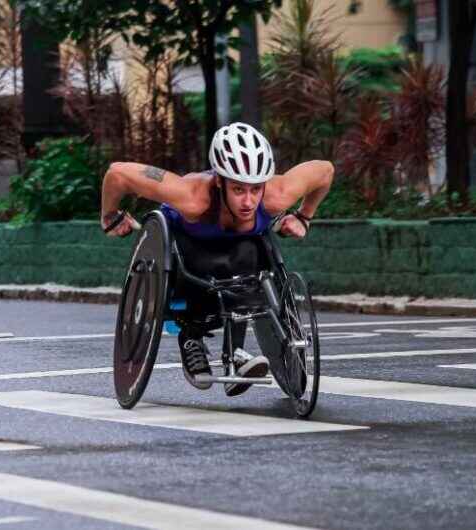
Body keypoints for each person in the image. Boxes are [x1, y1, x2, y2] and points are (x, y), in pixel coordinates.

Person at [101, 122, 334, 396]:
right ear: (219, 181)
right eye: (238, 190)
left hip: (239, 257)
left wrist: (304, 216)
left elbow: (325, 170)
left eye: (255, 189)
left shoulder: (276, 195)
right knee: (205, 267)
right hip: (188, 253)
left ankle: (235, 354)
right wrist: (110, 215)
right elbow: (117, 173)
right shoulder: (192, 197)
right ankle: (191, 337)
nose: (249, 201)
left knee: (252, 255)